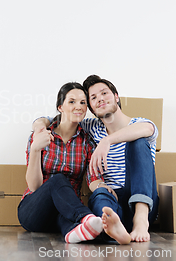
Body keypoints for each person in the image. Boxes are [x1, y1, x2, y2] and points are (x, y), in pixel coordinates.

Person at [32, 75, 159, 243]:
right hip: (111, 200)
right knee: (100, 194)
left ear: (116, 96)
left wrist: (108, 140)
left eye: (104, 93)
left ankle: (140, 221)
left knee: (138, 142)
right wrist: (39, 126)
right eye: (93, 98)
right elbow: (59, 118)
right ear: (90, 108)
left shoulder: (140, 123)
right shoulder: (91, 127)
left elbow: (148, 129)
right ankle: (113, 229)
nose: (100, 99)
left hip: (141, 201)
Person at [18, 82, 127, 244]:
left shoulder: (87, 142)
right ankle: (86, 218)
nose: (79, 107)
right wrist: (35, 149)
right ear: (60, 107)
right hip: (34, 211)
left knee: (74, 225)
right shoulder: (41, 135)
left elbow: (92, 179)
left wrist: (101, 187)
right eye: (72, 101)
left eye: (83, 102)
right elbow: (34, 187)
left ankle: (78, 233)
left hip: (66, 210)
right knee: (58, 180)